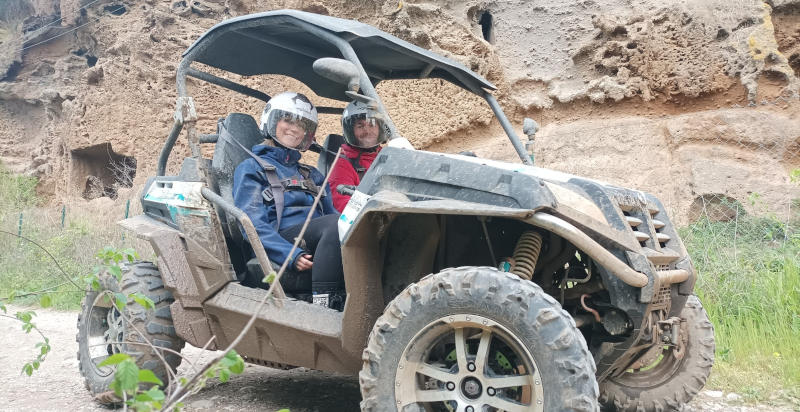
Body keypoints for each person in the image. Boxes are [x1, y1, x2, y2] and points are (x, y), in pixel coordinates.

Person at [232, 92, 344, 310]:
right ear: (271, 121)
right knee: (334, 226)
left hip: (320, 239)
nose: (294, 128)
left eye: (301, 125)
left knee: (346, 225)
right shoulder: (252, 168)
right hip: (282, 240)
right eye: (288, 120)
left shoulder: (311, 173)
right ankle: (324, 307)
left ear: (307, 134)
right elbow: (251, 224)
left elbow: (336, 217)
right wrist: (290, 254)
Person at [328, 100, 390, 212]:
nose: (367, 131)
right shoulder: (343, 163)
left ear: (380, 128)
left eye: (371, 124)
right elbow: (344, 206)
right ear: (352, 131)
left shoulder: (389, 157)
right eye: (360, 126)